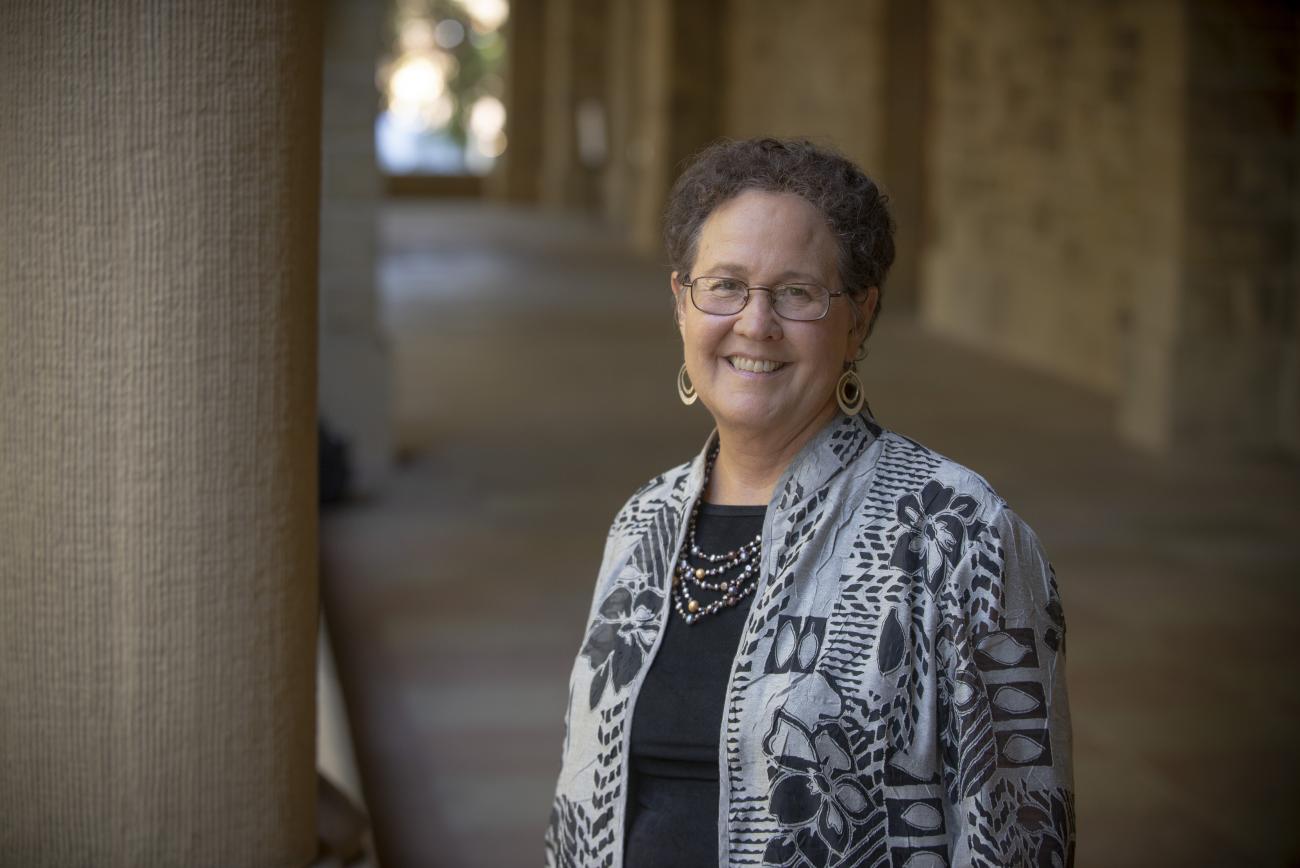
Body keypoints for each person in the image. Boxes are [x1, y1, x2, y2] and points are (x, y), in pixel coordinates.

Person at [545, 138, 1074, 868]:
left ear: (858, 319)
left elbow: (1019, 837)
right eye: (724, 285)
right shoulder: (644, 522)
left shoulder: (957, 534)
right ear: (681, 304)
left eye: (796, 293)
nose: (755, 324)